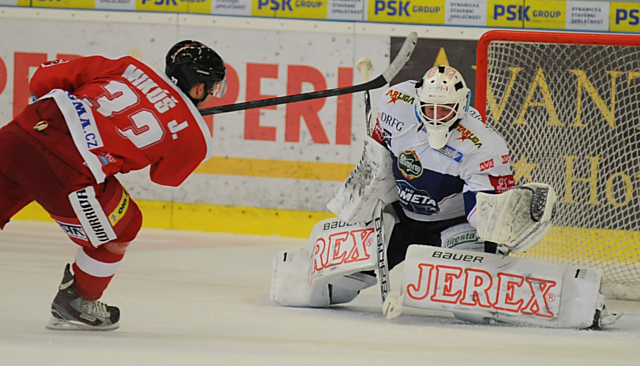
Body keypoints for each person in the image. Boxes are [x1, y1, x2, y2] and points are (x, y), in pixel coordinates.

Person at [0, 40, 227, 331]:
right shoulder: (195, 136)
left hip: (22, 132)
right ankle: (78, 301)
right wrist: (182, 123)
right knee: (124, 226)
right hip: (68, 172)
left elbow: (43, 77)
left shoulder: (127, 67)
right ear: (199, 88)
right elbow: (165, 178)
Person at [369, 64, 515, 270]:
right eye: (430, 108)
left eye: (445, 110)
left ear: (461, 105)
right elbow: (377, 158)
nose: (436, 117)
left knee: (464, 284)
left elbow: (488, 214)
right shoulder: (395, 103)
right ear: (419, 101)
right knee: (341, 283)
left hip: (452, 226)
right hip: (399, 216)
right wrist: (367, 201)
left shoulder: (483, 147)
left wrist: (499, 234)